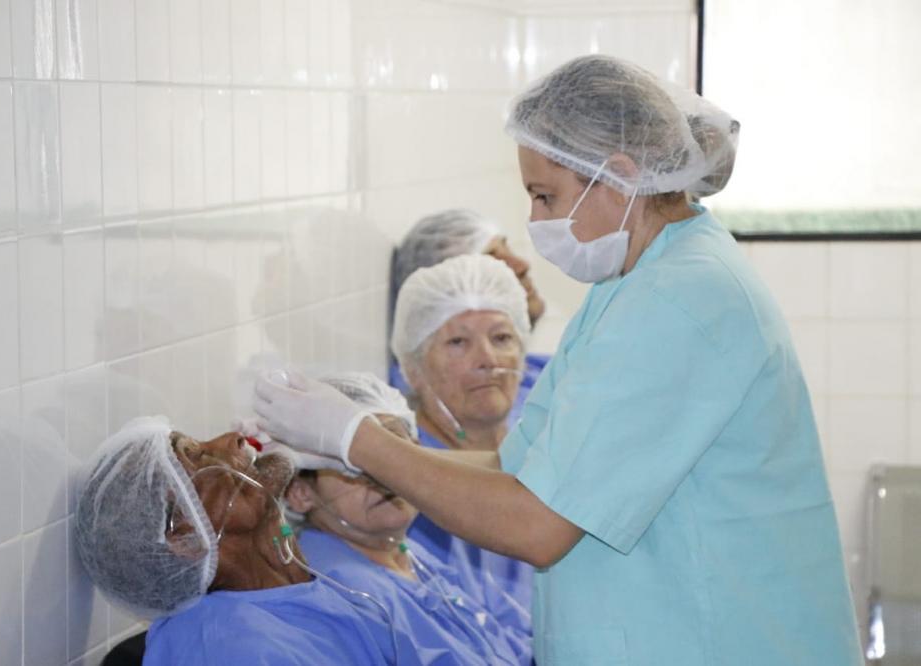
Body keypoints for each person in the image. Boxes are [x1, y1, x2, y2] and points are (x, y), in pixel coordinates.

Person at [249, 54, 863, 665]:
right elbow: (519, 465)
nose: (537, 220)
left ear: (618, 176)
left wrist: (357, 440)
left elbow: (537, 524)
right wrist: (350, 444)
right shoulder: (637, 282)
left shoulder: (677, 301)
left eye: (546, 196)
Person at [73, 417, 426, 665]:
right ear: (185, 538)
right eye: (196, 456)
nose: (231, 439)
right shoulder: (228, 650)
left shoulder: (311, 592)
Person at [282, 371, 532, 665]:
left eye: (394, 456)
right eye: (354, 465)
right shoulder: (342, 589)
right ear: (300, 493)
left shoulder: (406, 554)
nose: (383, 477)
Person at [390, 254, 535, 611]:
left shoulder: (539, 437)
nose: (488, 359)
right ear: (413, 369)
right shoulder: (404, 476)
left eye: (501, 338)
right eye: (457, 342)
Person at [389, 209, 548, 425]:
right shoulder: (421, 405)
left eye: (500, 338)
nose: (521, 265)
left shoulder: (538, 369)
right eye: (492, 260)